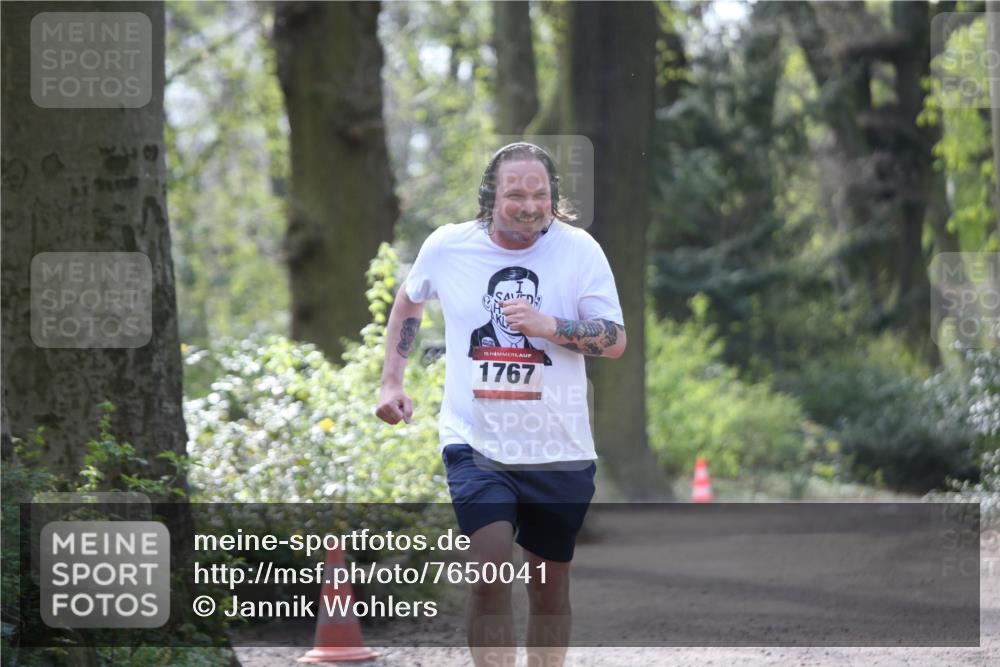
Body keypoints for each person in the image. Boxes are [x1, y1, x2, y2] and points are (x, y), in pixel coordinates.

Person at [375, 142, 626, 667]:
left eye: (540, 194)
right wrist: (391, 384)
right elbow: (409, 302)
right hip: (476, 442)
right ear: (490, 195)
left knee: (547, 587)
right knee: (489, 572)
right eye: (516, 194)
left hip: (558, 447)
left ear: (553, 198)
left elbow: (615, 339)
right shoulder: (449, 246)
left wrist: (549, 327)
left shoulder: (579, 250)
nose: (530, 205)